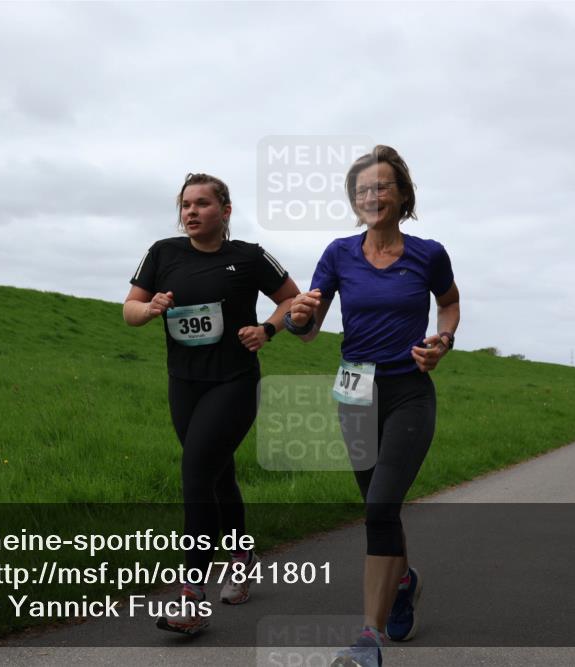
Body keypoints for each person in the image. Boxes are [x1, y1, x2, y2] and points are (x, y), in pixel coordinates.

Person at [286, 146, 460, 667]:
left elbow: (448, 303)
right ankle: (403, 582)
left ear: (402, 194)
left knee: (381, 507)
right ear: (353, 199)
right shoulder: (338, 253)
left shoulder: (428, 254)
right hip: (353, 391)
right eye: (363, 189)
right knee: (376, 508)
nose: (372, 195)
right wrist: (298, 315)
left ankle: (369, 639)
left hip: (408, 390)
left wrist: (442, 341)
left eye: (382, 186)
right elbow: (307, 329)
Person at [123, 173, 299, 634]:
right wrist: (152, 307)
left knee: (197, 471)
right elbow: (130, 311)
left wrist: (267, 330)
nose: (191, 212)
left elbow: (293, 301)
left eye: (202, 203)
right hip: (184, 384)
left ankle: (192, 595)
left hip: (235, 382)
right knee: (218, 475)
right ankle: (241, 554)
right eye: (185, 205)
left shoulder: (249, 256)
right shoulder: (162, 253)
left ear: (225, 210)